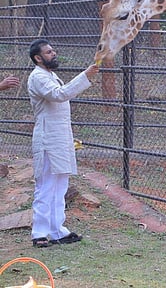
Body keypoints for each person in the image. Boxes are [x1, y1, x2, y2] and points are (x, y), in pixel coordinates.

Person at [27, 39, 99, 248]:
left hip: (61, 138)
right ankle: (39, 233)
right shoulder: (38, 77)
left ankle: (57, 230)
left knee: (60, 186)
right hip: (48, 138)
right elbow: (59, 95)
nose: (54, 53)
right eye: (49, 52)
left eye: (53, 50)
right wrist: (85, 76)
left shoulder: (50, 75)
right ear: (38, 58)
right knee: (46, 186)